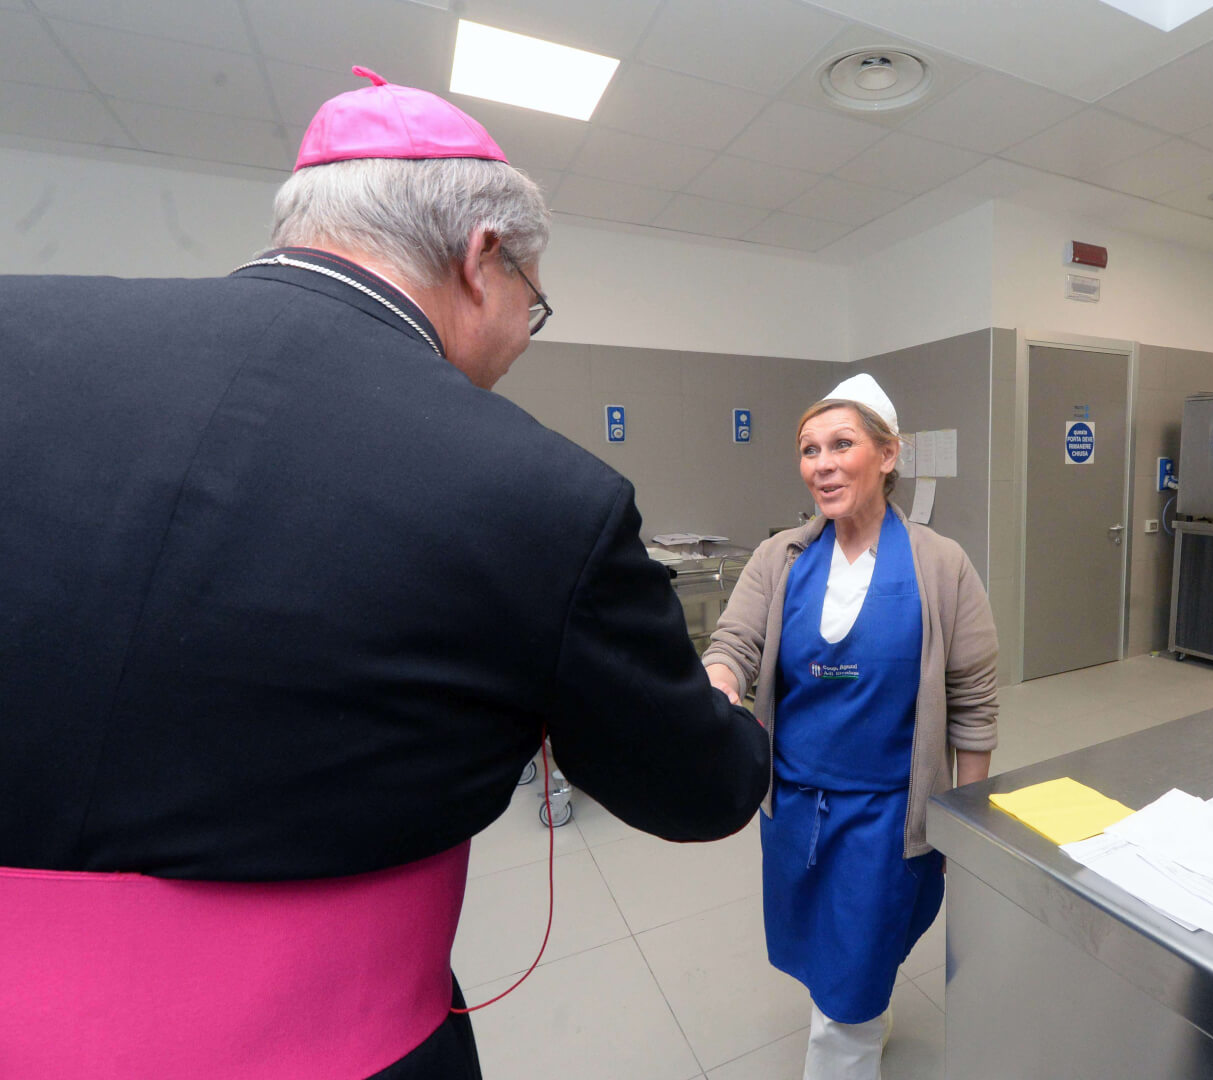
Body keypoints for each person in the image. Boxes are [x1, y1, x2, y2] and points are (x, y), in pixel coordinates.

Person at [0, 68, 769, 1079]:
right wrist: (725, 699)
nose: (518, 343)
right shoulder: (538, 489)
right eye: (531, 307)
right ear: (481, 259)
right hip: (341, 1046)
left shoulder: (19, 334)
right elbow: (699, 792)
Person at [702, 373, 999, 1079]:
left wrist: (964, 818)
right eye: (809, 450)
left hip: (889, 814)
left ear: (888, 455)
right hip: (795, 804)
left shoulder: (940, 565)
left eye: (842, 445)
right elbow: (734, 643)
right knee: (829, 950)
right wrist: (718, 682)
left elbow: (973, 699)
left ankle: (847, 1045)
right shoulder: (781, 558)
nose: (822, 465)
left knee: (853, 976)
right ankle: (860, 1011)